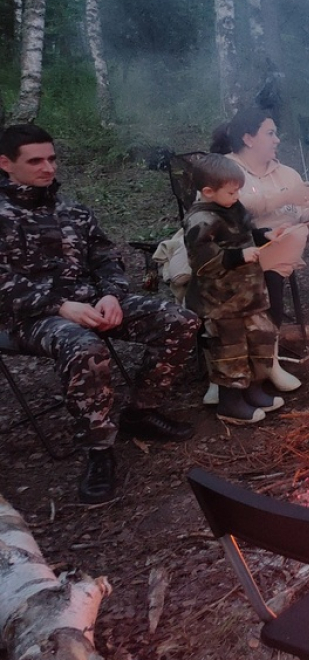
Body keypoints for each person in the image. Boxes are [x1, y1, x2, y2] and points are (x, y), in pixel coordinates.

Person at [0, 124, 200, 505]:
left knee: (179, 319)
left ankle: (142, 410)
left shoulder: (73, 210)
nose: (48, 168)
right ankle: (98, 450)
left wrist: (112, 295)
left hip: (90, 303)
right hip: (27, 317)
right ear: (6, 163)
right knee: (84, 346)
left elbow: (107, 259)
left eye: (52, 158)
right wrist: (59, 306)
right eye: (36, 160)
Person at [213, 108, 309, 395]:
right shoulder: (223, 170)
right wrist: (285, 197)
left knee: (284, 253)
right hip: (227, 252)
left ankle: (266, 363)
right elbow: (231, 210)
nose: (277, 140)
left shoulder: (286, 174)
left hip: (275, 248)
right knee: (257, 274)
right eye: (270, 133)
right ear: (248, 138)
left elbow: (304, 215)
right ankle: (222, 375)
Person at [183, 154, 284, 426]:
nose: (237, 196)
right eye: (231, 191)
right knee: (230, 351)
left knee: (260, 338)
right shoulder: (201, 220)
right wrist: (239, 256)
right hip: (222, 302)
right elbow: (203, 261)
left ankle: (254, 389)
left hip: (250, 295)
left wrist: (264, 235)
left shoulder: (232, 207)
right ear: (208, 192)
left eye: (238, 190)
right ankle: (230, 402)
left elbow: (246, 235)